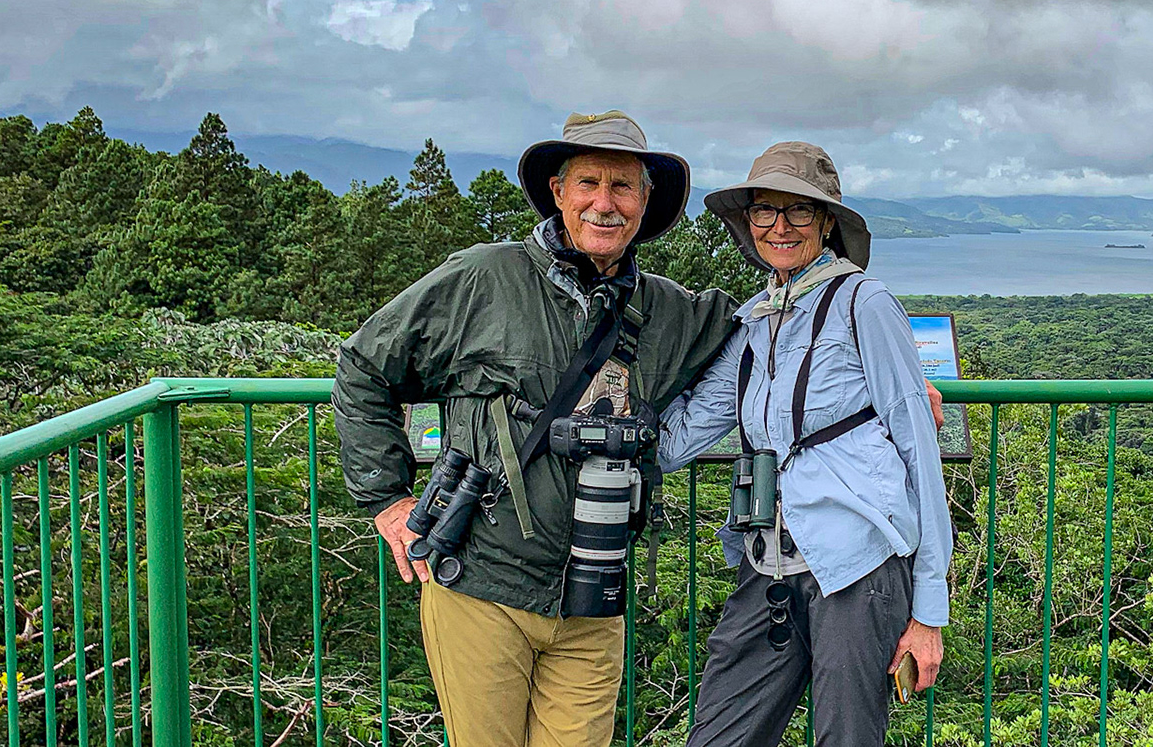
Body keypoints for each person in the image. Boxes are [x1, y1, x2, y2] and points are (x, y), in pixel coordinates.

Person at [331, 111, 743, 747]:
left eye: (622, 187)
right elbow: (364, 364)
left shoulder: (667, 309)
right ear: (558, 192)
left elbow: (773, 329)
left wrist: (888, 375)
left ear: (644, 201)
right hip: (482, 584)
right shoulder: (484, 278)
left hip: (595, 596)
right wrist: (387, 499)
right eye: (588, 183)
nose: (604, 204)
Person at [657, 141, 952, 747]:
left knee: (847, 737)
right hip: (767, 559)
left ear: (825, 223)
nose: (780, 226)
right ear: (749, 223)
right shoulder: (757, 319)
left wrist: (929, 612)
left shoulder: (863, 303)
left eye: (798, 211)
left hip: (857, 564)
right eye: (765, 211)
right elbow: (682, 435)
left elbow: (919, 453)